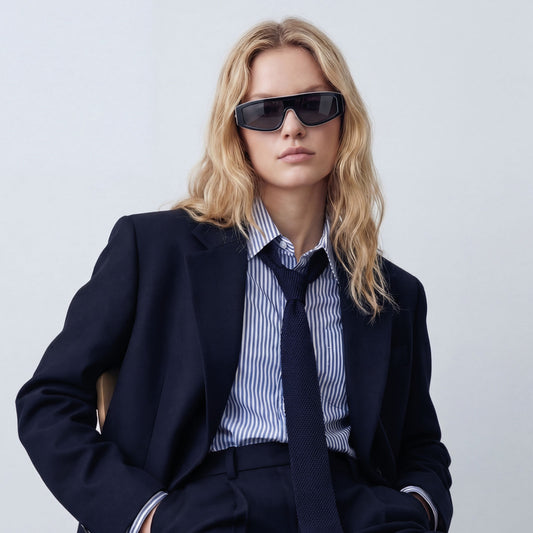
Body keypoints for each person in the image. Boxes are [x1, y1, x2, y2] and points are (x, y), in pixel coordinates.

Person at [16, 17, 452, 533]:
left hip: (354, 508)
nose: (292, 127)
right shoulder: (154, 250)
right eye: (265, 111)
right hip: (210, 507)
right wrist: (145, 516)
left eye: (314, 105)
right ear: (237, 132)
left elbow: (419, 443)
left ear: (344, 121)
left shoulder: (391, 291)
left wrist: (419, 509)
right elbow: (49, 400)